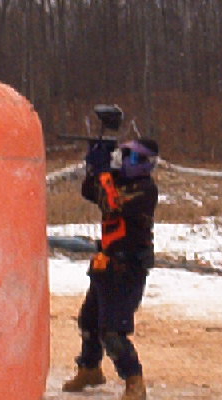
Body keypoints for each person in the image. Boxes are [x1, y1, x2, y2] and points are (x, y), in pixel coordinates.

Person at [62, 138, 159, 400]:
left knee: (113, 332)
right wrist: (94, 167)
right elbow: (90, 191)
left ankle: (134, 381)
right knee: (89, 322)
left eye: (135, 157)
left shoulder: (144, 189)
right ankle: (90, 369)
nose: (128, 161)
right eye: (125, 154)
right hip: (106, 264)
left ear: (148, 164)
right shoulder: (118, 181)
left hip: (128, 268)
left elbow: (112, 205)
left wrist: (104, 173)